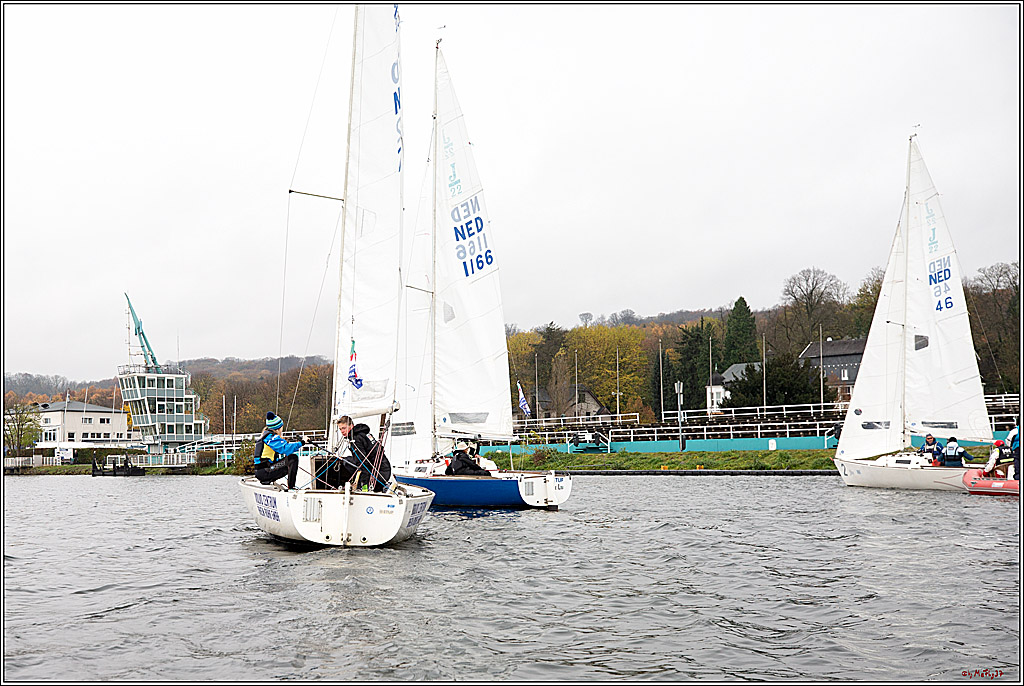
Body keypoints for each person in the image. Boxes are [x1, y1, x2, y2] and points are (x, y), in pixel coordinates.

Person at [336, 415, 392, 492]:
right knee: (348, 459)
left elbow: (362, 462)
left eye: (344, 428)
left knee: (346, 462)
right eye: (340, 429)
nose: (342, 431)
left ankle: (360, 485)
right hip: (384, 470)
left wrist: (364, 485)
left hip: (379, 474)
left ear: (351, 426)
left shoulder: (356, 439)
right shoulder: (363, 434)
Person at [254, 412, 305, 490]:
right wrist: (302, 442)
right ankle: (291, 488)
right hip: (264, 471)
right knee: (293, 458)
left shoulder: (266, 436)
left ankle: (268, 480)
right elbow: (286, 449)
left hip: (262, 471)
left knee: (287, 466)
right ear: (278, 428)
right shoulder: (271, 438)